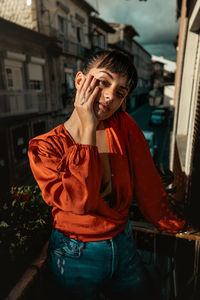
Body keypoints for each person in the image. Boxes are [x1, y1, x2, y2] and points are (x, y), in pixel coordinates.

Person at [28, 50, 186, 300]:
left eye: (121, 92)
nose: (111, 95)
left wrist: (172, 222)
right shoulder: (44, 147)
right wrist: (89, 127)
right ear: (80, 81)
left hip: (123, 243)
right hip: (74, 253)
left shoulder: (123, 126)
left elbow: (147, 181)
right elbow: (80, 202)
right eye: (103, 82)